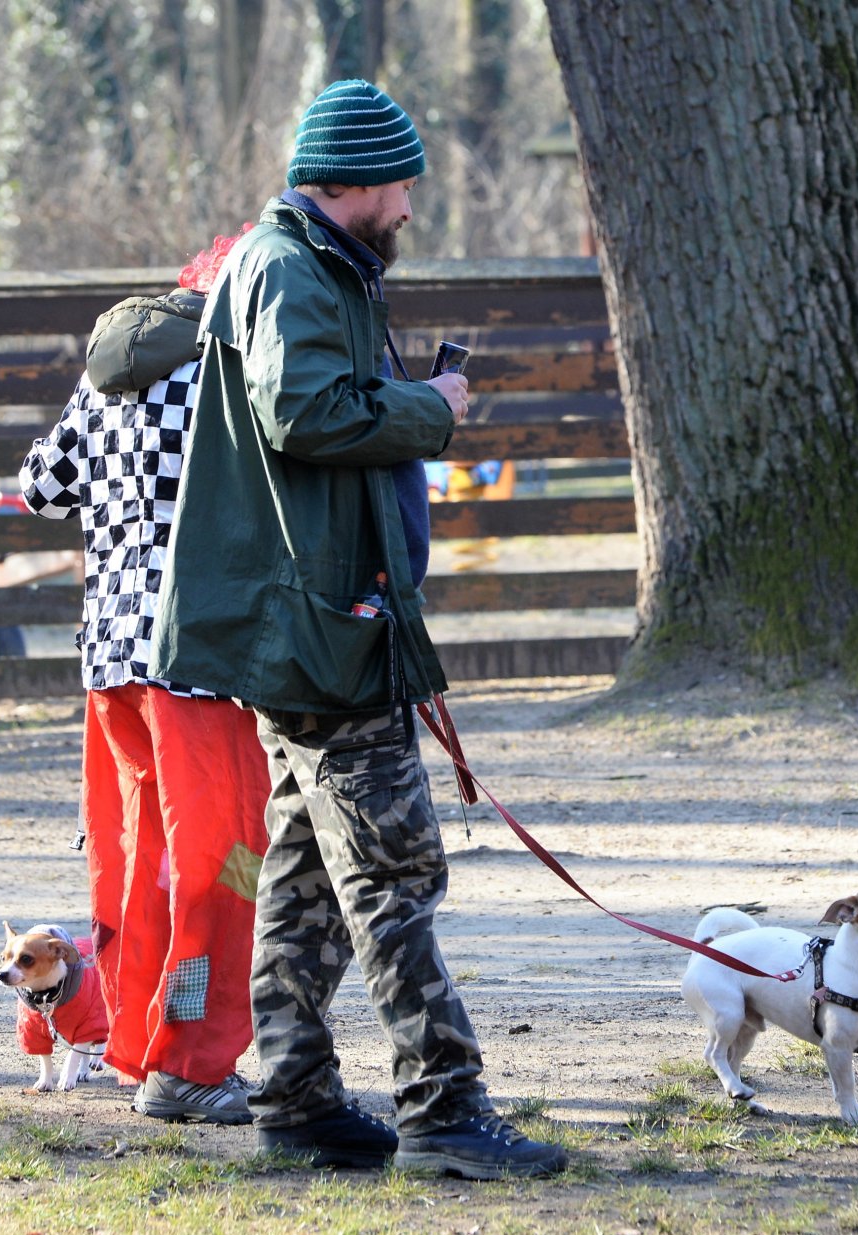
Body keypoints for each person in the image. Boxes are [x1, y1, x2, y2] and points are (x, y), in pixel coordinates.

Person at [149, 79, 566, 1179]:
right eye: (403, 186)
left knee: (302, 875)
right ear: (359, 182)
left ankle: (293, 1097)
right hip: (324, 631)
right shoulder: (291, 268)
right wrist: (435, 411)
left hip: (312, 623)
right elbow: (307, 412)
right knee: (394, 873)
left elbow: (322, 406)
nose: (412, 210)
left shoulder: (314, 264)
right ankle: (445, 1109)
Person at [18, 230, 268, 1125]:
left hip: (109, 661)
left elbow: (41, 486)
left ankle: (136, 1043)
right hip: (196, 658)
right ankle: (194, 1059)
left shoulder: (109, 369)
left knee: (137, 864)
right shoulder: (228, 371)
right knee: (224, 861)